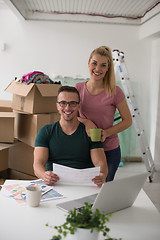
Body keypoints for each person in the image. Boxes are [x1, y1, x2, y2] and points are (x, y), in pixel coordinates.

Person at [74, 46, 132, 182]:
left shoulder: (115, 92)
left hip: (109, 150)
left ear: (108, 69)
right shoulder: (78, 89)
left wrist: (106, 133)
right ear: (88, 63)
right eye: (94, 63)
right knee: (84, 189)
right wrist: (87, 122)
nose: (97, 69)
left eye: (103, 65)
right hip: (84, 148)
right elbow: (72, 116)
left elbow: (127, 121)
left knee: (103, 188)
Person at [33, 86, 108, 187]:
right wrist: (44, 175)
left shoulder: (90, 132)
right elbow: (38, 163)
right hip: (55, 184)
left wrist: (102, 174)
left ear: (79, 106)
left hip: (84, 185)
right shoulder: (46, 131)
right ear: (57, 106)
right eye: (63, 103)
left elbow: (100, 162)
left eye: (72, 103)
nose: (67, 108)